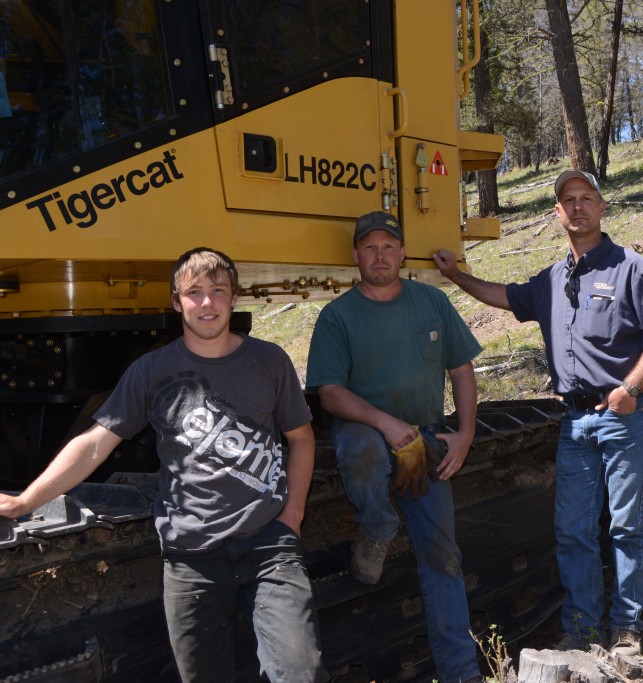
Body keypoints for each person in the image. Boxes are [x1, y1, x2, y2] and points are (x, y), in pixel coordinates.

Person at [0, 248, 328, 683]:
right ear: (176, 302)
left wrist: (293, 515)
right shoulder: (151, 370)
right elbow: (96, 444)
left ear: (234, 298)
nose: (206, 302)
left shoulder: (269, 361)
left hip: (268, 547)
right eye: (194, 292)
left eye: (217, 291)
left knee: (300, 672)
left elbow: (301, 438)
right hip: (190, 557)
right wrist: (26, 501)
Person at [433, 169, 643, 658]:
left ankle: (628, 628)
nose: (578, 207)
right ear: (557, 213)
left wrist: (630, 389)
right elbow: (507, 296)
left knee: (627, 527)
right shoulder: (553, 278)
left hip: (624, 415)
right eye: (568, 200)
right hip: (573, 421)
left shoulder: (633, 269)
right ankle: (582, 628)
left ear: (602, 207)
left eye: (586, 198)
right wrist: (455, 276)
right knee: (573, 530)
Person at [305, 211, 483, 683]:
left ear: (402, 253)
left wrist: (464, 433)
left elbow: (461, 369)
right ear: (355, 256)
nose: (379, 255)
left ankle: (460, 671)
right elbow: (329, 393)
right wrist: (386, 423)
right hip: (366, 430)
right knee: (362, 445)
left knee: (443, 555)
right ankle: (377, 523)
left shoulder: (431, 302)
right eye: (369, 247)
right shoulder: (338, 316)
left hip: (425, 438)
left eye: (388, 246)